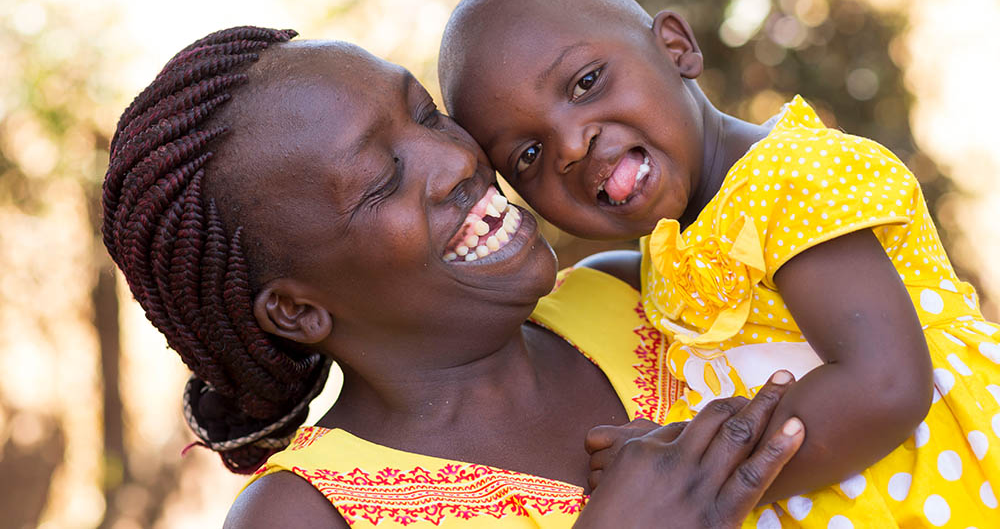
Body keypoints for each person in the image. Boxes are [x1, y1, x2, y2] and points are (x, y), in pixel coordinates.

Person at [101, 26, 806, 528]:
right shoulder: (306, 512)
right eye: (382, 182)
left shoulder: (640, 293)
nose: (456, 161)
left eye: (426, 114)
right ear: (296, 309)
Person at [438, 0, 1000, 526]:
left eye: (586, 83)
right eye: (528, 155)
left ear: (677, 47)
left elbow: (883, 386)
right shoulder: (667, 259)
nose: (571, 144)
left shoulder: (784, 177)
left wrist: (685, 466)